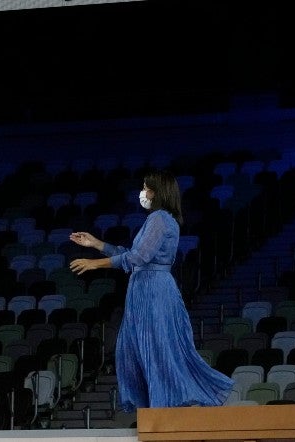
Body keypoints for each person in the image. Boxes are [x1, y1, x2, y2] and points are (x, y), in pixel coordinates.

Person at [69, 170, 233, 411]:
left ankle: (162, 408)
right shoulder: (158, 219)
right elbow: (135, 256)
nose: (143, 192)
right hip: (144, 289)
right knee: (135, 350)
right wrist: (97, 244)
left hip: (154, 291)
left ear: (157, 192)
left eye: (146, 188)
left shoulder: (160, 218)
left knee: (155, 349)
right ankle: (153, 408)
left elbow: (139, 257)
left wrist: (95, 263)